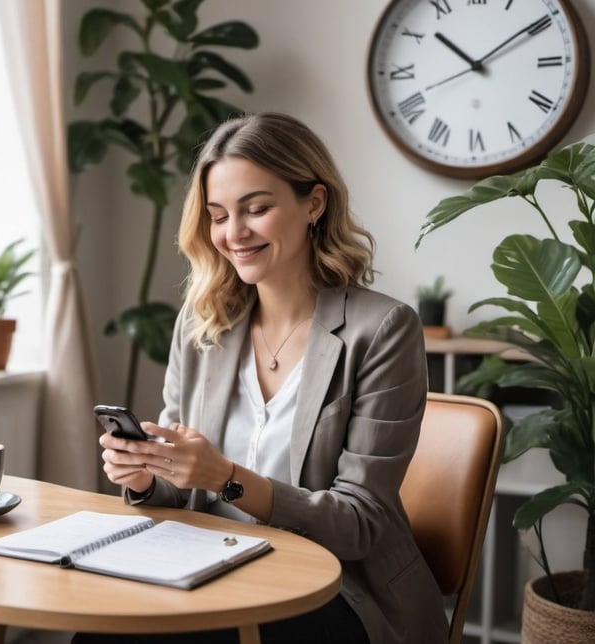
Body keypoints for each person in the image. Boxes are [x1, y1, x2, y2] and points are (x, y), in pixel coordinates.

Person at [81, 112, 449, 644]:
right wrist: (144, 476)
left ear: (314, 204)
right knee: (102, 626)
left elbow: (360, 522)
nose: (234, 234)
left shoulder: (384, 330)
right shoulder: (202, 322)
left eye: (256, 209)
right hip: (212, 566)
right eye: (218, 215)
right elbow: (181, 490)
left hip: (334, 588)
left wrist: (224, 475)